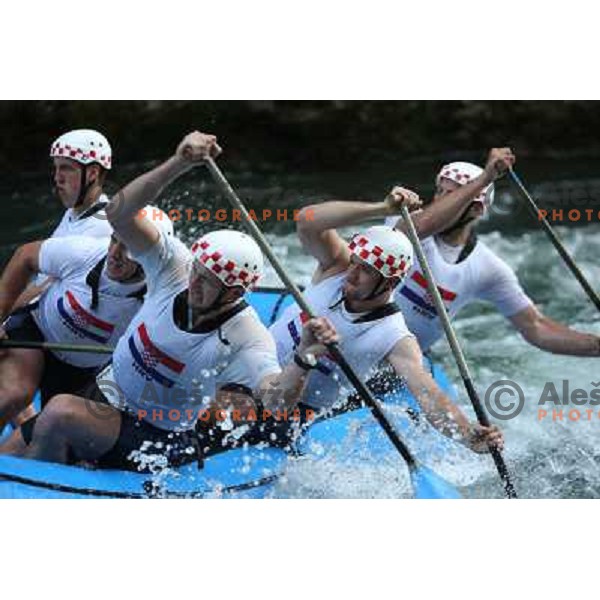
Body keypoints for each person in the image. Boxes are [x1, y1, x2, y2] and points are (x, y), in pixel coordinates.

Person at [15, 131, 338, 472]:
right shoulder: (176, 266)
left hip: (155, 434)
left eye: (207, 282)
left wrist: (303, 359)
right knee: (10, 448)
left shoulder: (247, 335)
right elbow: (120, 213)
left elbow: (275, 401)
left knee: (58, 413)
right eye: (196, 271)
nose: (193, 283)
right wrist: (179, 163)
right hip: (107, 392)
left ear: (234, 293)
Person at [268, 189, 504, 453]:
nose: (352, 274)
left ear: (390, 282)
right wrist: (382, 208)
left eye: (366, 270)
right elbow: (307, 219)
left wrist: (468, 436)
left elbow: (427, 394)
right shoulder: (337, 266)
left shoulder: (394, 337)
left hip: (287, 411)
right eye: (355, 263)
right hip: (253, 369)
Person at [384, 148, 600, 357]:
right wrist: (485, 178)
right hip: (360, 335)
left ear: (477, 210)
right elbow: (418, 228)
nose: (441, 201)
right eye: (440, 192)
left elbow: (536, 327)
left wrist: (596, 346)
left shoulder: (488, 268)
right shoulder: (403, 219)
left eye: (453, 197)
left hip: (408, 359)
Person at [0, 207, 172, 444]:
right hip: (36, 331)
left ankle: (24, 428)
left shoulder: (160, 299)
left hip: (83, 368)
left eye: (127, 247)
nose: (114, 253)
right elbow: (24, 257)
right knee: (15, 393)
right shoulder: (84, 252)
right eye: (114, 240)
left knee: (52, 435)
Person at [12, 129, 115, 311]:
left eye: (66, 168)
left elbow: (44, 288)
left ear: (92, 173)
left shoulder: (101, 227)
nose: (57, 178)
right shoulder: (76, 212)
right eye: (56, 168)